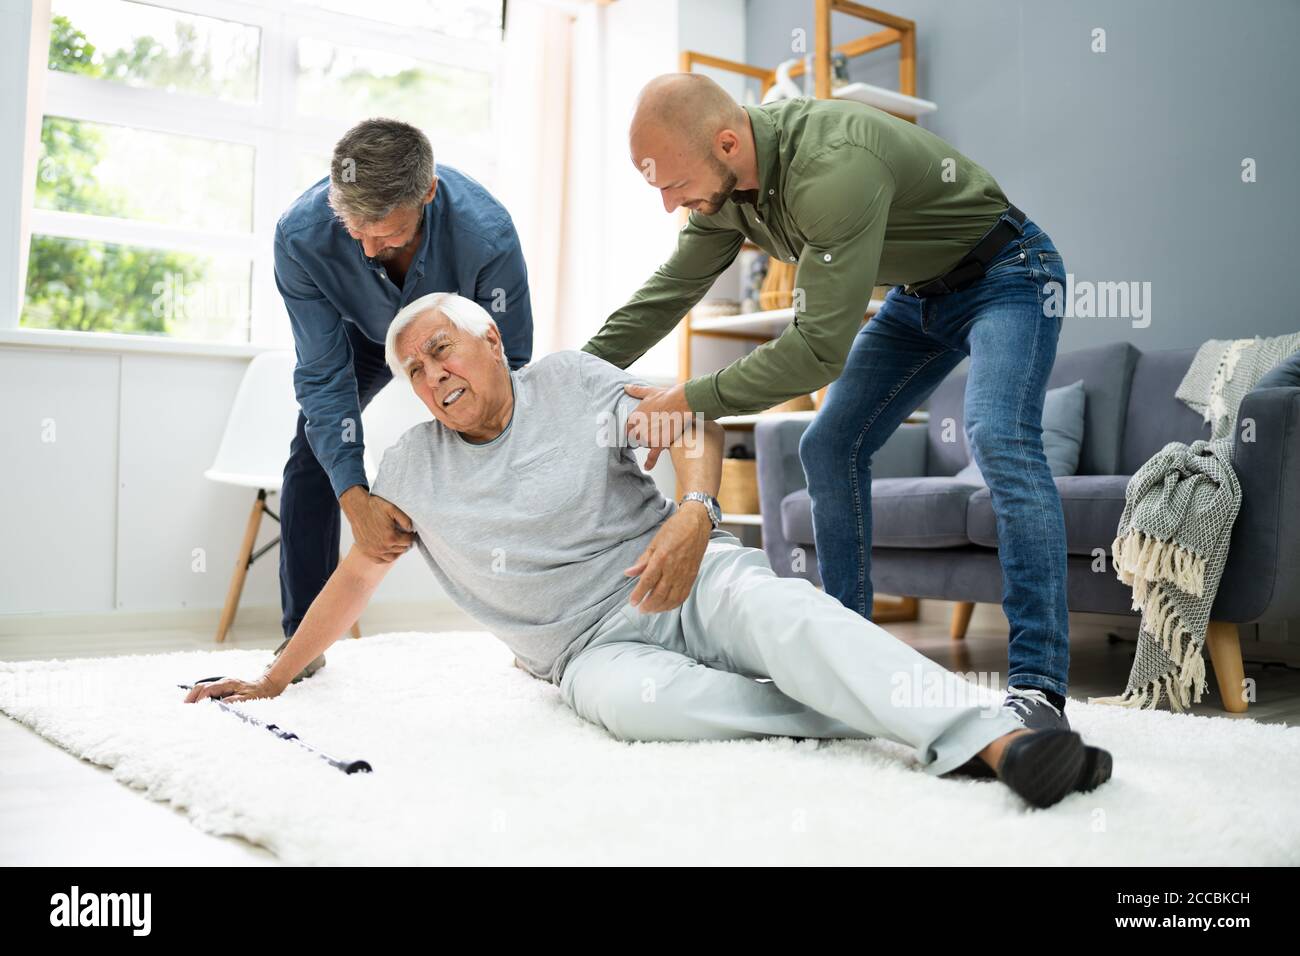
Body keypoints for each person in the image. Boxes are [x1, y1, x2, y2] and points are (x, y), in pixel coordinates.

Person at [185, 293, 1112, 809]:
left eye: (442, 352)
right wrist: (276, 676)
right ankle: (916, 718)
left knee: (788, 615)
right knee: (640, 708)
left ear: (491, 339)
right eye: (416, 374)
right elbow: (357, 576)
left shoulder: (575, 385)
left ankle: (1000, 745)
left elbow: (687, 420)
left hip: (684, 579)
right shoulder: (412, 468)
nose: (434, 379)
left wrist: (696, 508)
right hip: (590, 652)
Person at [581, 73, 1073, 731]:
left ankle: (1039, 687)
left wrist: (690, 398)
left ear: (728, 143)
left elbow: (817, 349)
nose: (670, 205)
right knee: (829, 444)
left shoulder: (832, 167)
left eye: (672, 185)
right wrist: (575, 377)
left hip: (1010, 273)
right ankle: (849, 660)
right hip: (918, 295)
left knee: (997, 435)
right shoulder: (721, 192)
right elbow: (670, 291)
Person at [273, 118, 533, 679]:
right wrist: (355, 498)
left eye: (383, 232)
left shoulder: (486, 232)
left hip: (449, 337)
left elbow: (511, 360)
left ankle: (536, 625)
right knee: (311, 454)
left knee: (505, 445)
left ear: (427, 194)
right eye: (352, 228)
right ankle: (302, 641)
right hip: (361, 337)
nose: (366, 247)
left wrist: (480, 429)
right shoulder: (300, 237)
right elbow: (322, 377)